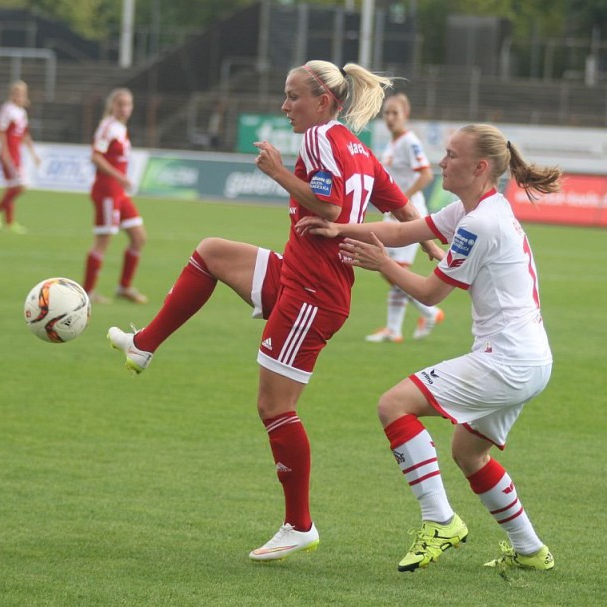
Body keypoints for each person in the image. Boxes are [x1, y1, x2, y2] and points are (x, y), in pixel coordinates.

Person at [107, 60, 443, 561]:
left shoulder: (318, 140)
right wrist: (436, 250)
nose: (285, 107)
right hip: (299, 275)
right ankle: (144, 345)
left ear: (323, 101)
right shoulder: (358, 148)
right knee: (211, 252)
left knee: (275, 408)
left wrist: (277, 172)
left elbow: (328, 208)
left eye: (293, 97)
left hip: (315, 292)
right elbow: (398, 205)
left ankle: (299, 524)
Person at [296, 123, 560, 572]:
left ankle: (439, 521)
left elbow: (430, 293)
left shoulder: (479, 223)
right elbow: (405, 231)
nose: (441, 161)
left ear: (479, 167)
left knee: (394, 405)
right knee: (468, 453)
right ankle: (531, 550)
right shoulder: (474, 209)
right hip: (532, 359)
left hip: (507, 360)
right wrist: (340, 228)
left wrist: (380, 264)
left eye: (452, 154)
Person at [366, 92, 444, 343]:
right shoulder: (392, 143)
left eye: (394, 113)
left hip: (411, 216)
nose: (389, 118)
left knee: (392, 269)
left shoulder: (410, 141)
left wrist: (402, 199)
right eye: (386, 113)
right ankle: (395, 329)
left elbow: (425, 175)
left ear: (405, 116)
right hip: (396, 215)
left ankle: (429, 312)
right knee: (389, 269)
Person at [82, 88, 148, 305]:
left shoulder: (120, 127)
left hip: (118, 191)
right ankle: (87, 292)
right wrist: (121, 177)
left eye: (128, 104)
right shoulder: (107, 127)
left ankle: (124, 287)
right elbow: (96, 156)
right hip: (107, 190)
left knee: (139, 237)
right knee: (103, 241)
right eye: (120, 104)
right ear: (112, 105)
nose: (125, 108)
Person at [0, 80, 40, 234]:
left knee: (12, 187)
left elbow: (24, 135)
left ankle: (10, 222)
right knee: (21, 186)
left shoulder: (22, 112)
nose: (20, 96)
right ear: (12, 94)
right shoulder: (7, 109)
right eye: (17, 93)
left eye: (22, 93)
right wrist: (5, 152)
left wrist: (34, 153)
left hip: (16, 153)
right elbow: (0, 132)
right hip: (9, 154)